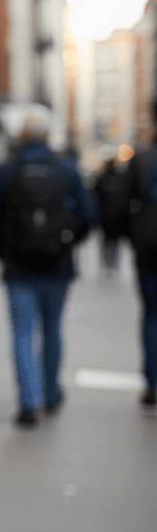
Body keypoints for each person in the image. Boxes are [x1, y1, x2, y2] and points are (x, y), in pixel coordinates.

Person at [0, 113, 96, 426]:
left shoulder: (6, 172)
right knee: (52, 328)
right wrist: (69, 245)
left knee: (23, 331)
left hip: (18, 268)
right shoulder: (67, 171)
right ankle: (50, 392)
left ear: (22, 137)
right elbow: (88, 216)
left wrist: (3, 254)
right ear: (48, 137)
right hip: (58, 267)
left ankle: (28, 401)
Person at [123, 129, 157, 408]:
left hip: (149, 247)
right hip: (147, 246)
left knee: (152, 315)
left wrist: (134, 237)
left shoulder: (142, 159)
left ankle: (152, 381)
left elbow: (120, 206)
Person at [93, 158, 130, 274]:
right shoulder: (121, 178)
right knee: (115, 241)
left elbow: (94, 197)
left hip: (104, 215)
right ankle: (113, 264)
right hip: (118, 216)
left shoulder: (101, 178)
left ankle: (106, 263)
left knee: (105, 240)